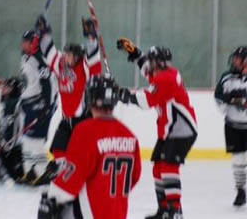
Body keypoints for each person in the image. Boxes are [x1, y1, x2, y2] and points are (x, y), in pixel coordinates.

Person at [37, 74, 141, 219]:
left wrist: (51, 197)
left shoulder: (86, 130)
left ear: (90, 97)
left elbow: (71, 178)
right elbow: (134, 176)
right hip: (118, 213)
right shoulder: (130, 136)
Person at [116, 38, 197, 219]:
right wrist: (133, 51)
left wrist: (122, 95)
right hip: (170, 130)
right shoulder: (161, 72)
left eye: (152, 60)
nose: (149, 63)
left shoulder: (166, 78)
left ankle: (175, 211)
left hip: (181, 129)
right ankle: (164, 210)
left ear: (158, 62)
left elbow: (146, 101)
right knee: (158, 167)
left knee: (168, 166)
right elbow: (146, 68)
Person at [34, 15, 101, 183]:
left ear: (77, 56)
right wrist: (45, 31)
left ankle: (84, 175)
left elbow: (93, 54)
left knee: (81, 154)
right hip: (67, 119)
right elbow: (48, 49)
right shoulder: (60, 64)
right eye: (65, 53)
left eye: (69, 55)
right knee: (57, 147)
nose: (65, 56)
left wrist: (91, 35)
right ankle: (63, 173)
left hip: (82, 120)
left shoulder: (85, 67)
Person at [19, 30, 58, 183]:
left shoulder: (40, 60)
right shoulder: (26, 57)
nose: (22, 44)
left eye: (26, 41)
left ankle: (42, 173)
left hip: (40, 104)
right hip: (29, 104)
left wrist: (46, 107)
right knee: (27, 139)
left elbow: (48, 84)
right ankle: (30, 171)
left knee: (37, 140)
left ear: (33, 42)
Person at [215, 45, 247, 206]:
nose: (234, 61)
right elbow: (219, 98)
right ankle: (241, 190)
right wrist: (233, 100)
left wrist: (237, 99)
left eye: (238, 58)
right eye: (234, 58)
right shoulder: (227, 77)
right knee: (239, 160)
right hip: (233, 126)